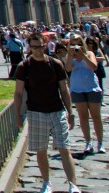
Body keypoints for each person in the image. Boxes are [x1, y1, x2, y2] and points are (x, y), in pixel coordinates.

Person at [14, 32, 82, 193]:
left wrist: (70, 112)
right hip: (35, 112)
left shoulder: (56, 63)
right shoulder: (24, 67)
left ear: (45, 44)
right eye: (34, 47)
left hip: (56, 110)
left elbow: (64, 90)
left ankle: (73, 185)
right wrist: (17, 114)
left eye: (40, 46)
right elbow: (18, 93)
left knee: (65, 148)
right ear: (29, 47)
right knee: (41, 150)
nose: (37, 50)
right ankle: (46, 182)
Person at [65, 32, 103, 154]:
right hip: (77, 88)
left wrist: (83, 55)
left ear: (82, 43)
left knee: (96, 116)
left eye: (78, 43)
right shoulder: (69, 55)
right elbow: (68, 69)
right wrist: (71, 55)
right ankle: (88, 142)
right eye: (73, 44)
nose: (76, 47)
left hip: (91, 87)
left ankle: (100, 142)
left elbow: (93, 67)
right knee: (83, 116)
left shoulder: (89, 53)